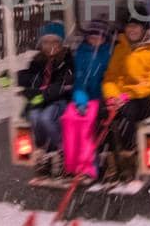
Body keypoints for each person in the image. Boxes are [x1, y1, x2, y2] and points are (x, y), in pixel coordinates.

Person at [17, 20, 75, 170]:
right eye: (46, 42)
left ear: (61, 43)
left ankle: (61, 150)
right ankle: (43, 149)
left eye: (55, 41)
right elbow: (29, 77)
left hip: (59, 100)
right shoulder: (37, 61)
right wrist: (12, 77)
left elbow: (63, 83)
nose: (50, 46)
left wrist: (45, 94)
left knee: (46, 118)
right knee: (34, 116)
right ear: (41, 44)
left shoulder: (67, 60)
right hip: (40, 99)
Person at [61, 21, 114, 179]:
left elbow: (110, 78)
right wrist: (80, 100)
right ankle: (72, 163)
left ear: (105, 39)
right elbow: (79, 80)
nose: (95, 40)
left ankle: (90, 164)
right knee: (69, 118)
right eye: (91, 37)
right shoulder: (81, 54)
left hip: (102, 97)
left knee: (87, 123)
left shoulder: (109, 54)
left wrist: (106, 98)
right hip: (86, 98)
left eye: (98, 37)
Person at [102, 10, 150, 155]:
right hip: (121, 98)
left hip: (146, 99)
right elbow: (110, 77)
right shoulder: (120, 49)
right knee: (100, 113)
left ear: (144, 28)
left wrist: (127, 96)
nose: (132, 30)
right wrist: (112, 97)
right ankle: (106, 157)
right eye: (129, 26)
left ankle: (129, 154)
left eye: (136, 26)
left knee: (127, 113)